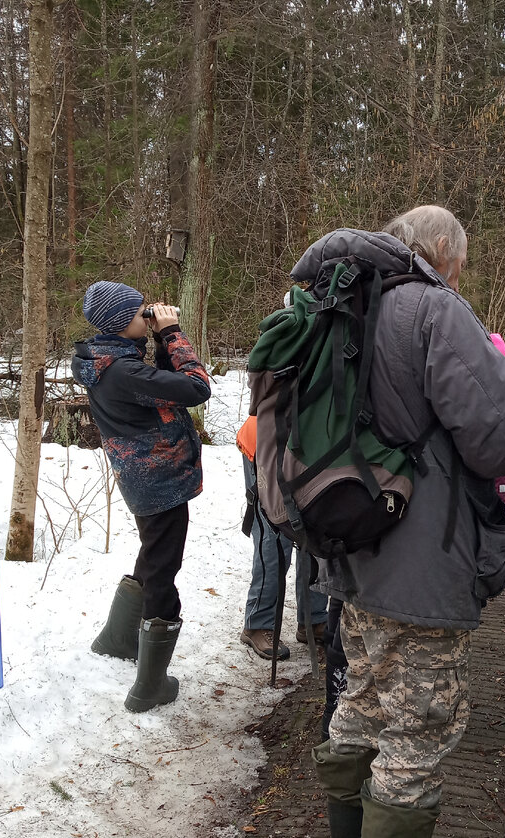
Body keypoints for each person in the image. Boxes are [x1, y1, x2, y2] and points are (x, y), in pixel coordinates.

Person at [299, 206, 505, 838]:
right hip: (421, 552)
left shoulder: (329, 304)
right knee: (418, 727)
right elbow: (503, 438)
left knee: (360, 698)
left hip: (348, 543)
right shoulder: (433, 309)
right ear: (442, 254)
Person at [74, 281, 210, 712]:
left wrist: (155, 336)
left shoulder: (109, 361)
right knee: (163, 570)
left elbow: (168, 384)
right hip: (160, 480)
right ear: (118, 324)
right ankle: (149, 686)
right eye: (138, 314)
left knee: (153, 553)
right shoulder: (124, 372)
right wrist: (172, 334)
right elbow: (196, 387)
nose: (146, 316)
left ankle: (116, 639)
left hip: (143, 477)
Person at [236, 415, 329, 660]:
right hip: (268, 441)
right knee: (273, 538)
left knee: (317, 532)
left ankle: (313, 619)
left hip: (317, 445)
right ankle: (258, 623)